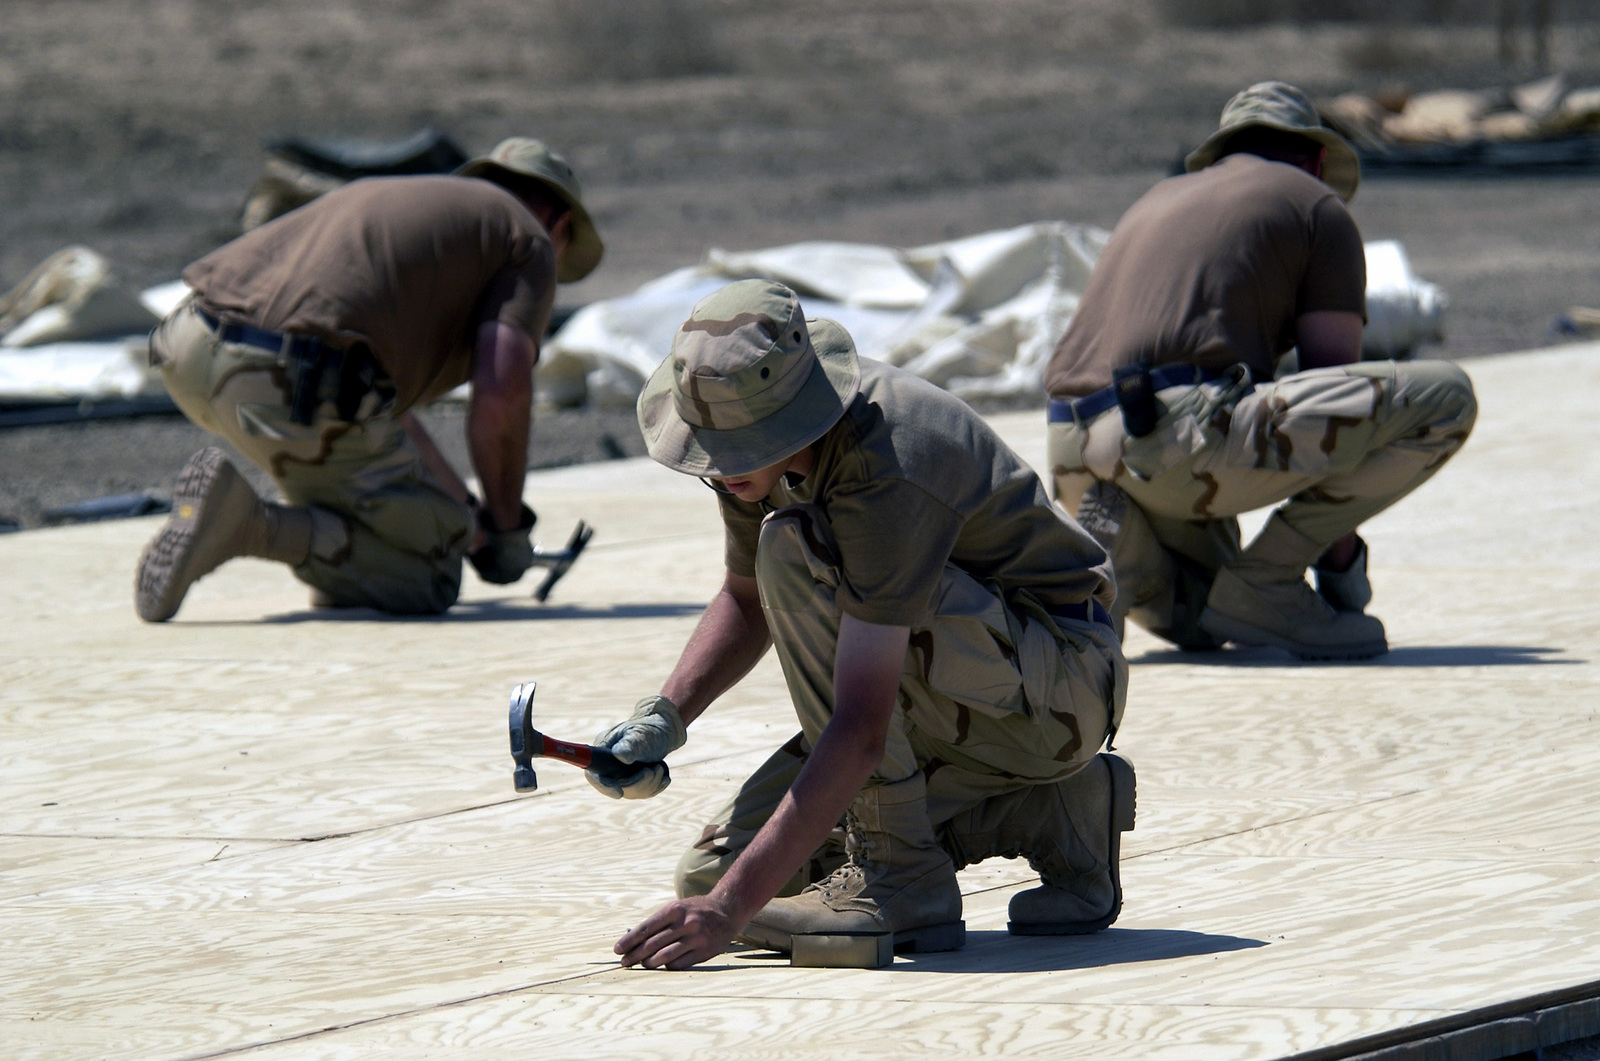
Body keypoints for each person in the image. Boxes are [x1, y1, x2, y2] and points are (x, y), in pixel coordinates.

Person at [593, 279, 1134, 971]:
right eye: (711, 448)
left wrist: (728, 914)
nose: (720, 465)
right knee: (709, 875)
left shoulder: (887, 462)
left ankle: (901, 874)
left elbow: (860, 728)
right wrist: (664, 715)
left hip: (1058, 683)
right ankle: (1050, 813)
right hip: (961, 691)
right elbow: (746, 596)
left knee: (796, 550)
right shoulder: (749, 457)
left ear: (792, 416)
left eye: (738, 447)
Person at [1044, 81, 1478, 660]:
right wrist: (1339, 567)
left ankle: (1118, 546)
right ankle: (1269, 582)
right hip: (1175, 436)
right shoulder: (1315, 205)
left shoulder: (1158, 198)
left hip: (1071, 449)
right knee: (1447, 398)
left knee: (1207, 617)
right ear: (1317, 159)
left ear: (1222, 153)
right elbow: (1339, 407)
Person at [134, 138, 602, 620]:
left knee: (394, 513)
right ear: (561, 224)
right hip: (290, 382)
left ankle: (273, 534)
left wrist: (468, 517)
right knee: (428, 576)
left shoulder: (420, 215)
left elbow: (386, 415)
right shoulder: (529, 238)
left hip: (185, 346)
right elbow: (502, 394)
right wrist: (506, 528)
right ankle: (250, 525)